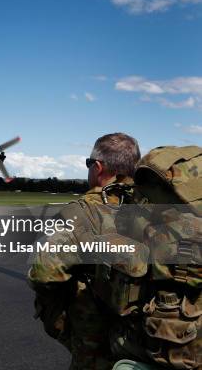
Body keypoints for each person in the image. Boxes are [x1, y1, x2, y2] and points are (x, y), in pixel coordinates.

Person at [28, 132, 141, 370]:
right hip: (143, 339)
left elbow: (44, 272)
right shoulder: (153, 208)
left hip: (94, 340)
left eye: (89, 164)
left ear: (98, 168)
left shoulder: (81, 213)